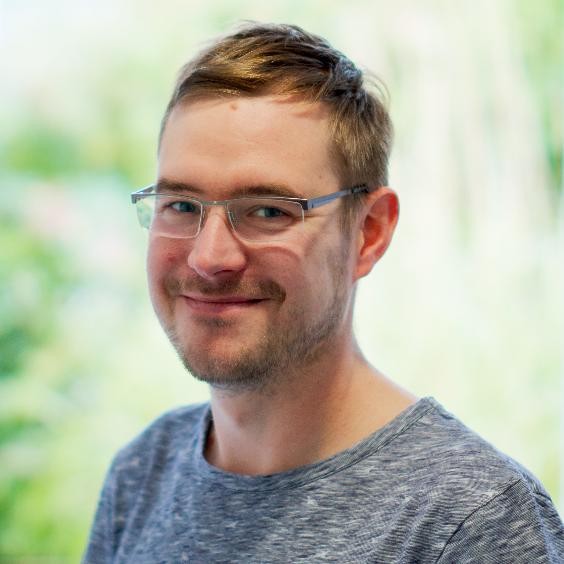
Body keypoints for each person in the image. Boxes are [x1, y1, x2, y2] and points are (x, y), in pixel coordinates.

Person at [83, 22, 563, 563]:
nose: (209, 257)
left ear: (369, 232)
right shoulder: (142, 473)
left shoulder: (469, 520)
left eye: (268, 211)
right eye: (181, 205)